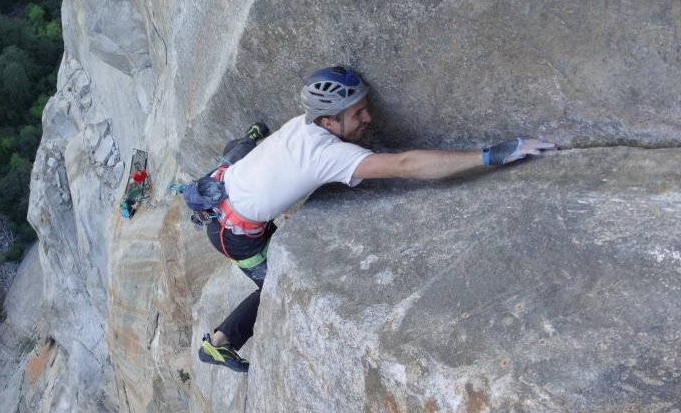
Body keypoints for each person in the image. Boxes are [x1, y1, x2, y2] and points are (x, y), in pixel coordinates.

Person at [198, 66, 555, 372]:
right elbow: (405, 166)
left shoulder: (299, 125)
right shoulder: (327, 155)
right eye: (357, 114)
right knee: (272, 285)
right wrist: (486, 156)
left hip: (219, 186)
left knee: (244, 150)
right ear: (327, 122)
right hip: (236, 235)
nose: (368, 118)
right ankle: (220, 341)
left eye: (364, 108)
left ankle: (244, 142)